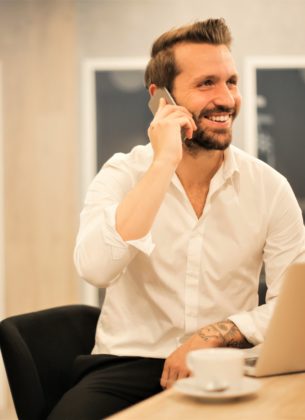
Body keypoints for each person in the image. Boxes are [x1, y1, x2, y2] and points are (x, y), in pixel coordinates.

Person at [48, 18, 305, 419]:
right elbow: (96, 268)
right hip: (127, 364)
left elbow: (293, 306)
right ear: (161, 98)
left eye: (231, 82)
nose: (226, 99)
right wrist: (163, 163)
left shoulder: (270, 189)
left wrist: (211, 336)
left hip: (226, 362)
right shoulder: (122, 173)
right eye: (207, 84)